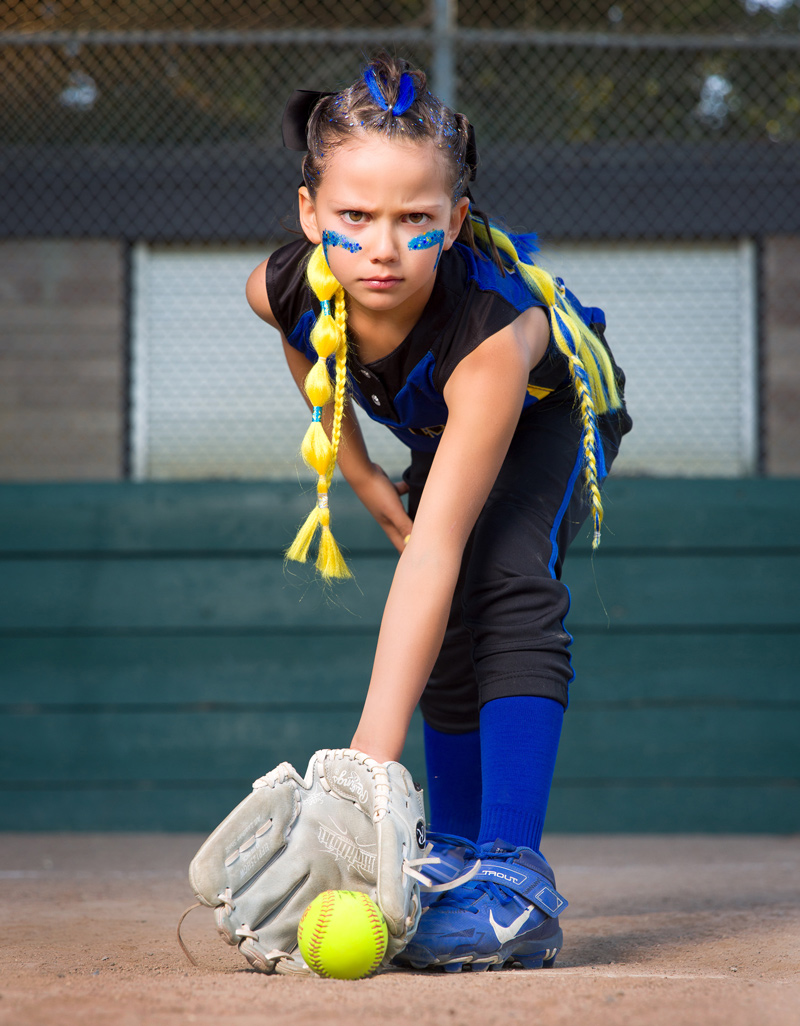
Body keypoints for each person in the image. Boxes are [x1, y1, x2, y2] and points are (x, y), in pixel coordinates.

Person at [245, 52, 632, 973]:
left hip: (548, 415)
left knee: (500, 575)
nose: (382, 247)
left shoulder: (489, 338)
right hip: (436, 427)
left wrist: (362, 777)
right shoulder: (282, 286)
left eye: (416, 220)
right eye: (354, 218)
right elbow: (312, 362)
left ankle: (513, 881)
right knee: (448, 610)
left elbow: (438, 551)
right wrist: (373, 487)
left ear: (455, 222)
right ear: (310, 214)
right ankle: (447, 858)